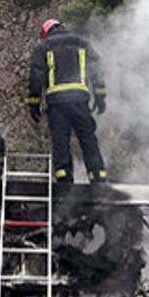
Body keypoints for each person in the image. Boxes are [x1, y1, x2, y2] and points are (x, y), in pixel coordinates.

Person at [27, 19, 108, 184]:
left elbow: (36, 76)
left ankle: (64, 178)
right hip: (80, 100)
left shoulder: (44, 47)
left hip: (57, 103)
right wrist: (100, 96)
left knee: (60, 140)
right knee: (87, 138)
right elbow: (96, 69)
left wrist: (34, 102)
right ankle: (97, 176)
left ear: (46, 33)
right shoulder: (82, 43)